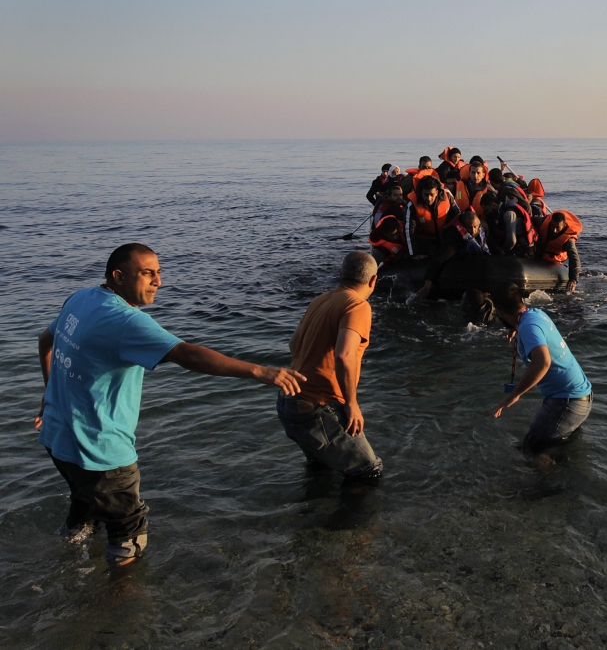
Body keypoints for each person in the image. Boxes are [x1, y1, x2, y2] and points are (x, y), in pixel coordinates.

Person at [33, 243, 306, 565]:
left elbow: (45, 341)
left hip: (56, 438)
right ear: (119, 276)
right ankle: (120, 602)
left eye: (159, 273)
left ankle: (62, 564)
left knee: (84, 508)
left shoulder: (81, 299)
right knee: (128, 531)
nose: (158, 282)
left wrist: (49, 397)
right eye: (147, 273)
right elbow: (187, 354)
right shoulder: (125, 321)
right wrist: (259, 370)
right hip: (99, 452)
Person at [278, 252, 383, 483]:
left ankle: (314, 515)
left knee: (322, 470)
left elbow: (293, 345)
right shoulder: (358, 305)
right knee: (367, 469)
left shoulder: (321, 299)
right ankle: (353, 520)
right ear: (374, 280)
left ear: (341, 275)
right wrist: (351, 404)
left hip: (288, 404)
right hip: (316, 407)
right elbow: (344, 355)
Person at [491, 283, 593, 449]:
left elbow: (543, 362)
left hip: (566, 403)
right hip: (581, 398)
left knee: (532, 449)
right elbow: (532, 328)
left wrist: (515, 394)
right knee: (560, 452)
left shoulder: (528, 327)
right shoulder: (535, 314)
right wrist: (514, 327)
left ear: (500, 312)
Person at [414, 210, 490, 300]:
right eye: (469, 227)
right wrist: (428, 284)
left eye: (475, 227)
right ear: (464, 226)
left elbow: (489, 243)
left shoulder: (483, 226)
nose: (473, 231)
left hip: (477, 258)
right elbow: (439, 259)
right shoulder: (454, 236)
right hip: (458, 260)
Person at [404, 175, 459, 257]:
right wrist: (414, 254)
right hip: (424, 241)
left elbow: (458, 216)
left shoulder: (447, 195)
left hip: (443, 236)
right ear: (421, 192)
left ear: (437, 192)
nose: (429, 198)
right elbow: (409, 231)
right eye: (426, 195)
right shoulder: (412, 204)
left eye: (431, 195)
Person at [536, 211, 582, 293]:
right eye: (552, 226)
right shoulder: (542, 222)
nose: (554, 230)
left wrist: (573, 279)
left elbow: (574, 258)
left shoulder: (568, 240)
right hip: (538, 254)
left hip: (553, 260)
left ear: (564, 226)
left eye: (557, 227)